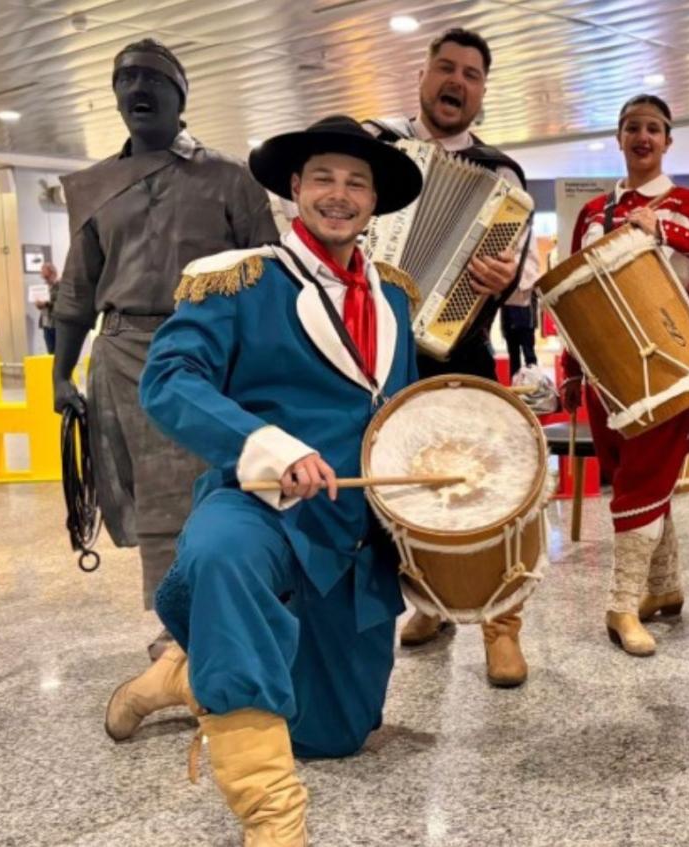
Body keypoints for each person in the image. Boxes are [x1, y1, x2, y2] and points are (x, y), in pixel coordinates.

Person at [104, 115, 424, 845]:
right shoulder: (237, 278)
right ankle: (272, 815)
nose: (339, 195)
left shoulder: (397, 296)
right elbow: (169, 380)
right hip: (259, 503)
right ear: (294, 188)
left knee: (337, 734)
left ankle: (181, 678)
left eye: (356, 183)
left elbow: (401, 409)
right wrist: (265, 445)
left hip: (352, 529)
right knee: (222, 555)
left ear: (374, 201)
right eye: (324, 179)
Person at [50, 40, 279, 645]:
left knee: (214, 485)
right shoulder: (96, 186)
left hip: (207, 352)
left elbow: (268, 276)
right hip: (122, 352)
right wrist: (60, 373)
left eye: (152, 78)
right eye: (125, 79)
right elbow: (77, 289)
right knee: (151, 498)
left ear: (181, 95)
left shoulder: (230, 178)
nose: (137, 89)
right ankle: (176, 626)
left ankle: (220, 613)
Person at [367, 28, 539, 687]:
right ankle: (429, 603)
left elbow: (517, 274)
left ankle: (502, 624)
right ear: (422, 76)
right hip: (376, 348)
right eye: (446, 67)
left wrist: (502, 276)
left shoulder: (501, 174)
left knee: (489, 482)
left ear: (482, 92)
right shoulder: (379, 151)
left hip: (459, 344)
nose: (456, 82)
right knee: (400, 481)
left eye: (471, 74)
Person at [560, 93, 689, 656]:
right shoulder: (593, 212)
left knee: (642, 479)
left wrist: (668, 230)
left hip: (667, 364)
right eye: (633, 128)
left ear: (667, 140)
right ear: (618, 138)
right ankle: (664, 587)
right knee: (632, 478)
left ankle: (621, 606)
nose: (642, 137)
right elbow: (571, 292)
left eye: (653, 129)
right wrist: (571, 368)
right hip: (603, 372)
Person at [35, 262, 60, 353]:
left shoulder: (60, 286)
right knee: (50, 352)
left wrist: (47, 303)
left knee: (59, 352)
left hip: (57, 324)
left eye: (47, 277)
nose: (45, 279)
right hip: (46, 324)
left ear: (53, 274)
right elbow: (41, 306)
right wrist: (38, 304)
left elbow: (62, 304)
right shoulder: (44, 287)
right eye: (43, 277)